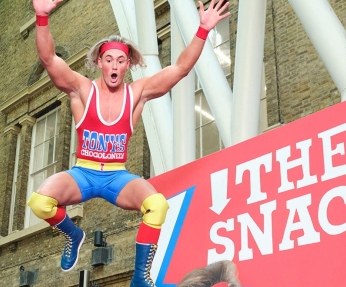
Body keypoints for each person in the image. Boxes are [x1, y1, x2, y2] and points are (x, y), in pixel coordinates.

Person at [27, 0, 230, 286]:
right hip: (83, 173)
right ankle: (73, 234)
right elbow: (49, 59)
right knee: (39, 203)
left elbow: (181, 69)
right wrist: (41, 17)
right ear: (99, 62)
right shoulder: (81, 89)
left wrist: (203, 30)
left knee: (157, 205)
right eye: (108, 59)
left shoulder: (138, 94)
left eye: (120, 61)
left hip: (116, 176)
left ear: (128, 64)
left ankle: (139, 277)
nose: (114, 65)